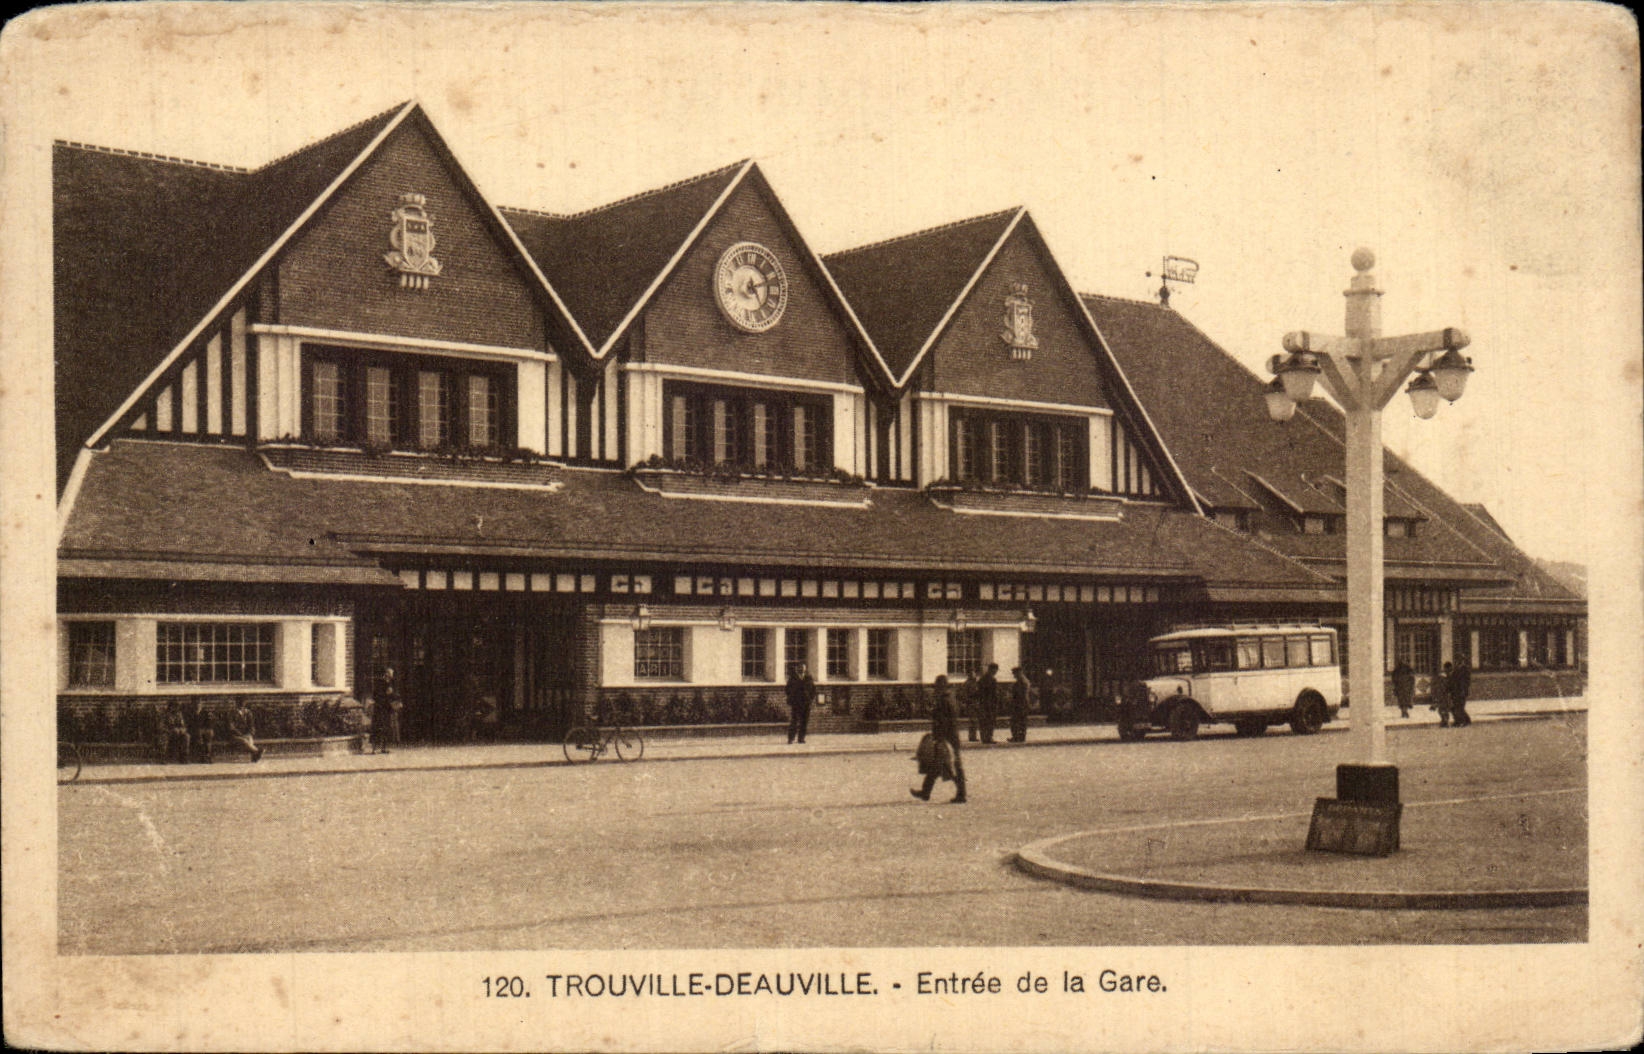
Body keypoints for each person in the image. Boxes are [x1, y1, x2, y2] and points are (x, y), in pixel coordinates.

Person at [911, 674, 966, 803]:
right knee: (937, 766)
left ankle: (961, 794)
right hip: (950, 738)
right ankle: (926, 792)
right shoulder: (949, 699)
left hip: (947, 739)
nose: (935, 690)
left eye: (937, 687)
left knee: (951, 767)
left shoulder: (944, 701)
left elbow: (943, 721)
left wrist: (940, 738)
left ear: (942, 687)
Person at [786, 663, 816, 744]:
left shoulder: (808, 678)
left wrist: (810, 699)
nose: (802, 669)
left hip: (806, 703)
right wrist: (792, 698)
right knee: (794, 721)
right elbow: (787, 689)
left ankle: (801, 738)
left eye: (803, 667)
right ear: (797, 668)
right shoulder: (793, 678)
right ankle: (791, 738)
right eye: (800, 667)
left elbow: (813, 689)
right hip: (796, 703)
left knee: (804, 721)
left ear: (805, 669)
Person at [376, 666, 402, 753]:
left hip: (389, 708)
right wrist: (385, 693)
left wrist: (397, 700)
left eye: (391, 675)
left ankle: (385, 747)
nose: (391, 676)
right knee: (381, 727)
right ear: (386, 674)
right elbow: (376, 695)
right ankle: (377, 747)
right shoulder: (380, 683)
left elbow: (395, 694)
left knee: (388, 727)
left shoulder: (392, 683)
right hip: (381, 708)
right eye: (389, 674)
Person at [184, 698, 215, 763]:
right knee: (199, 735)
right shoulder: (190, 713)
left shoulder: (205, 713)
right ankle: (202, 756)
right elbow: (188, 724)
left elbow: (209, 724)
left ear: (201, 704)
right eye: (195, 703)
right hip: (192, 731)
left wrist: (205, 729)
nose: (197, 705)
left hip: (203, 731)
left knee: (208, 734)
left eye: (199, 703)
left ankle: (208, 755)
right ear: (192, 704)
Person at [976, 663, 1000, 744]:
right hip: (990, 703)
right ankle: (989, 737)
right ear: (992, 669)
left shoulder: (982, 679)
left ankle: (984, 737)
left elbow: (978, 691)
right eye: (995, 670)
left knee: (983, 721)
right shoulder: (992, 680)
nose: (995, 672)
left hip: (983, 703)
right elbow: (994, 693)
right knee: (990, 720)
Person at [1008, 667, 1033, 743]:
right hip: (1022, 703)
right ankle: (1020, 736)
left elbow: (1020, 694)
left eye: (1014, 673)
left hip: (1020, 704)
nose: (1013, 675)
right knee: (1021, 721)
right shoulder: (1024, 681)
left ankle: (1017, 737)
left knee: (1017, 720)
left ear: (1019, 672)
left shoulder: (1022, 682)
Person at [1445, 660, 1472, 727]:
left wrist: (1463, 692)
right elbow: (1450, 684)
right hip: (1454, 693)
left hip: (1460, 693)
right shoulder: (1452, 673)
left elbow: (1463, 684)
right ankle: (1459, 721)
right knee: (1455, 708)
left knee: (1459, 708)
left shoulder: (1458, 673)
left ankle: (1464, 721)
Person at [961, 669, 980, 742]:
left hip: (976, 703)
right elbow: (964, 694)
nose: (973, 675)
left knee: (974, 721)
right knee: (973, 721)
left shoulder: (976, 683)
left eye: (974, 673)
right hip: (971, 704)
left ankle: (973, 736)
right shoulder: (967, 684)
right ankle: (972, 736)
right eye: (971, 674)